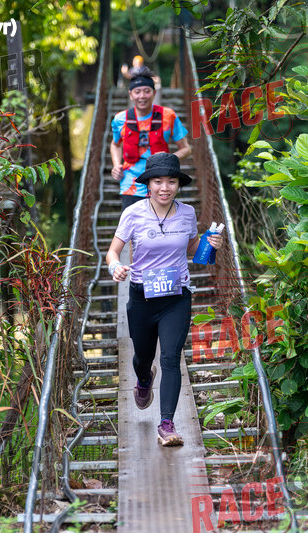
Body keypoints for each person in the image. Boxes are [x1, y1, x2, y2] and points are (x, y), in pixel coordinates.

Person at [105, 153, 224, 446]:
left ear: (178, 185)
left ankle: (167, 425)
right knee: (143, 358)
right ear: (148, 184)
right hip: (142, 296)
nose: (165, 188)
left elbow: (192, 247)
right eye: (158, 181)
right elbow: (112, 252)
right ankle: (144, 380)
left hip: (176, 295)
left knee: (171, 357)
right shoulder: (133, 213)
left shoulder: (187, 213)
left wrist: (210, 243)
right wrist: (115, 267)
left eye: (171, 181)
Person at [110, 73, 191, 211]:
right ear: (130, 95)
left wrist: (166, 161)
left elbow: (186, 149)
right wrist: (116, 165)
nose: (142, 96)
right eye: (137, 92)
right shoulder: (120, 119)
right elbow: (115, 144)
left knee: (161, 223)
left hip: (161, 186)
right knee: (131, 223)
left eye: (147, 91)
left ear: (154, 93)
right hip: (130, 185)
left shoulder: (168, 116)